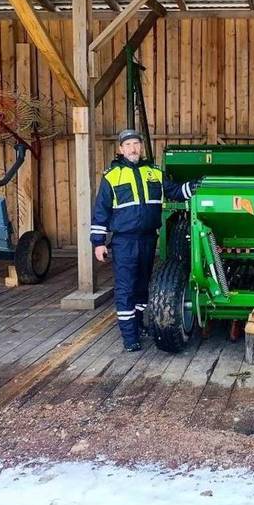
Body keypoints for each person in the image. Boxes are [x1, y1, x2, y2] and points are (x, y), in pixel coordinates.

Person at [90, 129, 197, 352]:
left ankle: (138, 326)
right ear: (120, 149)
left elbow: (175, 191)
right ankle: (129, 338)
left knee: (142, 286)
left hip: (148, 239)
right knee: (125, 288)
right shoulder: (112, 176)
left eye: (136, 144)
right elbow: (101, 211)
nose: (133, 148)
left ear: (141, 147)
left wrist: (194, 187)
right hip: (124, 242)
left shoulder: (154, 173)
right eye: (128, 145)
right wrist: (98, 242)